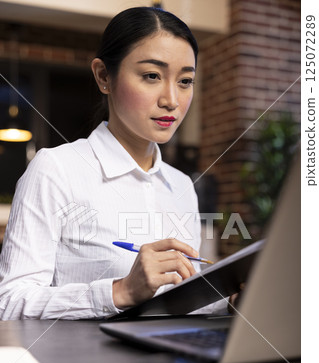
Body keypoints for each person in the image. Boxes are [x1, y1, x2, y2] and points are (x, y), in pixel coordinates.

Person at [0, 7, 228, 320]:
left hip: (165, 361)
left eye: (185, 80)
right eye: (152, 76)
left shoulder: (180, 185)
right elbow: (9, 303)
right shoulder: (56, 169)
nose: (172, 100)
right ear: (104, 76)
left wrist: (229, 296)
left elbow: (177, 299)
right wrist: (121, 291)